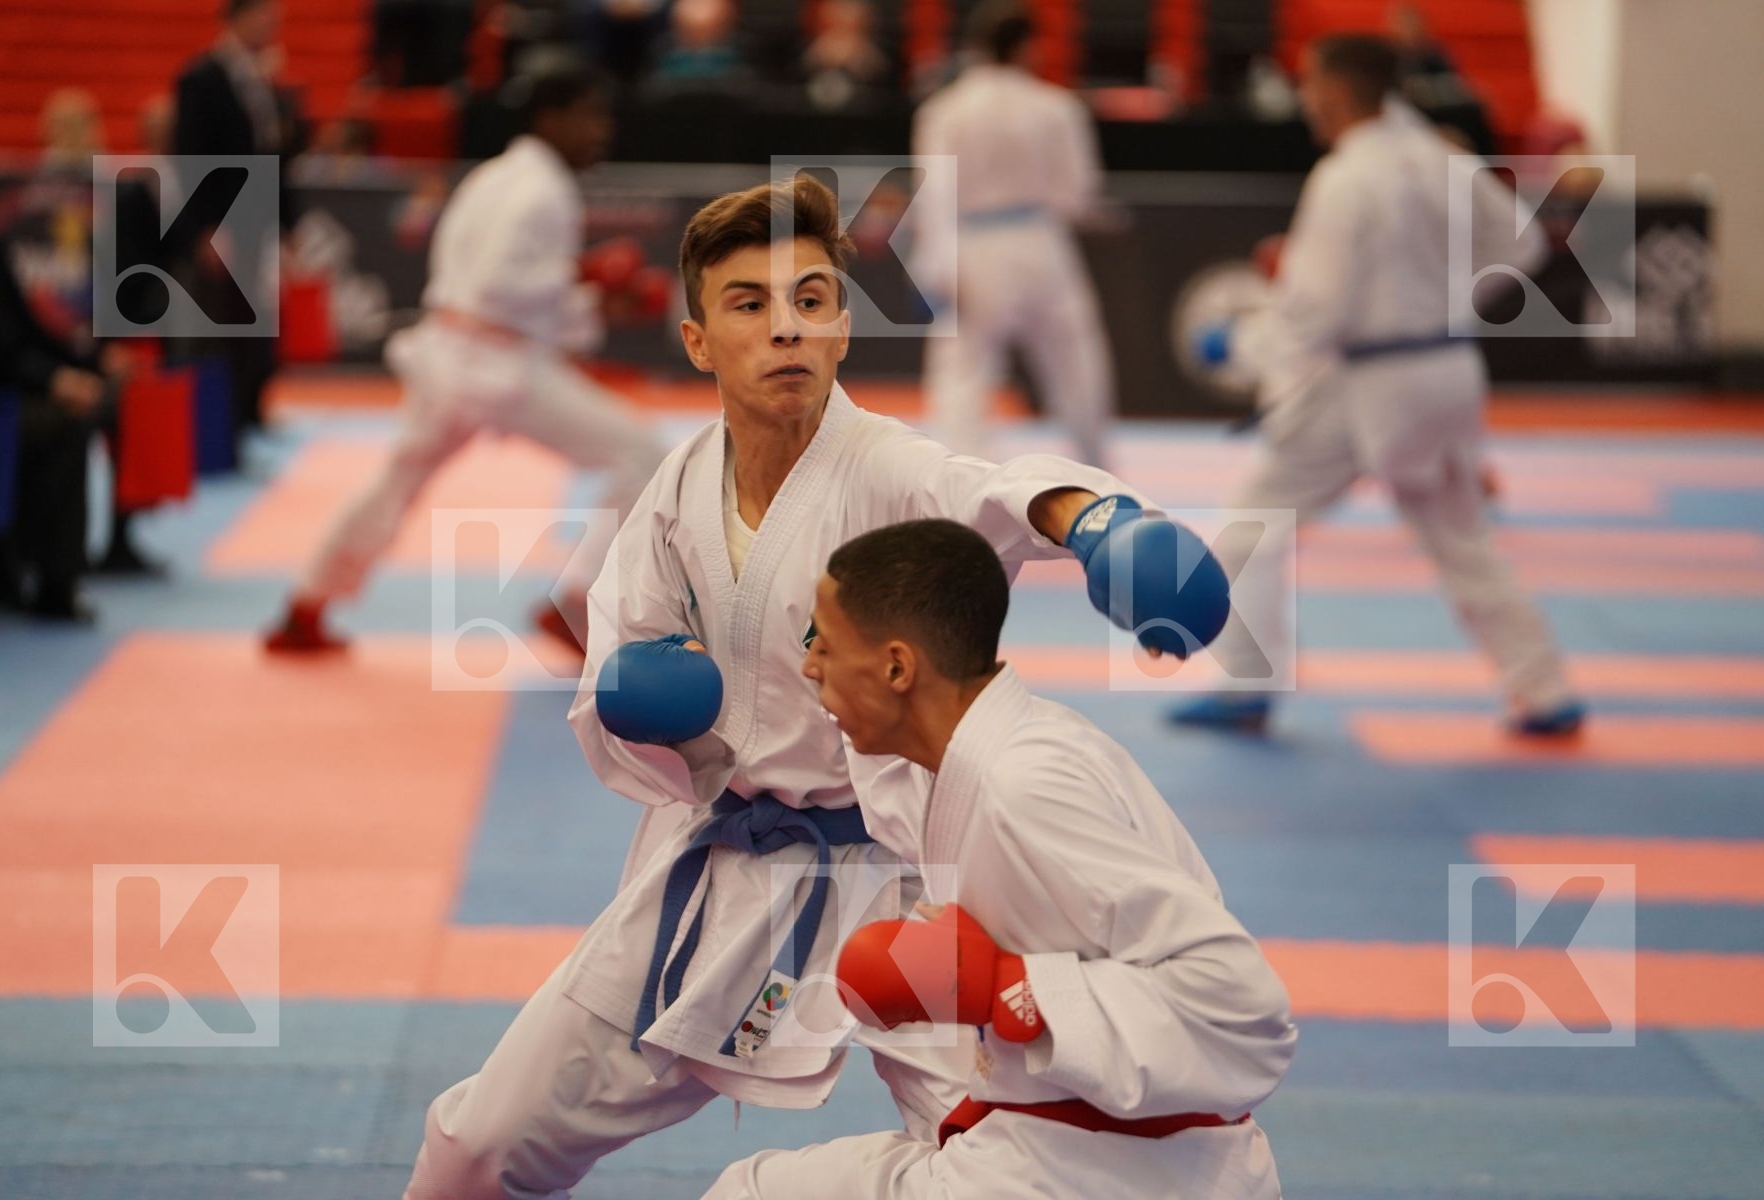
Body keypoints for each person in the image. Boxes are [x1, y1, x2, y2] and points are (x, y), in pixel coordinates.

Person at [399, 173, 1232, 1199]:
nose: (786, 327)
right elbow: (623, 692)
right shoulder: (674, 495)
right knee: (478, 1147)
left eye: (811, 300)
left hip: (914, 883)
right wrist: (647, 707)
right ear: (699, 340)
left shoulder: (887, 472)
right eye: (749, 304)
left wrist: (1101, 522)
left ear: (841, 329)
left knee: (1023, 1164)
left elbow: (995, 494)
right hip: (728, 872)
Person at [705, 518, 1294, 1197]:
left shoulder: (1025, 789)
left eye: (826, 647)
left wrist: (1006, 986)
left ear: (896, 667)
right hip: (1064, 1146)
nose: (809, 667)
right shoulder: (961, 755)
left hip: (1114, 1173)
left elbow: (1239, 1006)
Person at [1174, 35, 1584, 737]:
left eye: (1309, 85)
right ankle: (1545, 690)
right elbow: (1524, 243)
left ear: (1336, 92)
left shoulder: (1346, 177)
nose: (1305, 99)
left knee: (1250, 527)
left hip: (1368, 383)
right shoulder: (1438, 155)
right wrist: (1446, 307)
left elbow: (1314, 311)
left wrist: (1238, 345)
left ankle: (1247, 685)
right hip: (1446, 369)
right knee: (1464, 541)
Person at [264, 62, 665, 654]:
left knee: (394, 482)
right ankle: (578, 599)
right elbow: (496, 287)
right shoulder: (543, 190)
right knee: (643, 452)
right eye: (589, 118)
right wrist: (586, 281)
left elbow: (476, 283)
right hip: (497, 366)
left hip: (449, 353)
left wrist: (585, 294)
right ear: (550, 119)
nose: (600, 132)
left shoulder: (490, 176)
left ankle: (308, 601)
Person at [910, 0, 1113, 467]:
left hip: (973, 244)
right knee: (1076, 363)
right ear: (1027, 47)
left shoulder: (945, 109)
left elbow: (934, 194)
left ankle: (962, 476)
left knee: (963, 372)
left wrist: (934, 267)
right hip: (1039, 240)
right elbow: (1078, 193)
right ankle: (1096, 464)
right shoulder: (1055, 107)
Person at [0, 136, 107, 622]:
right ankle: (48, 582)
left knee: (79, 410)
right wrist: (51, 381)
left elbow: (19, 332)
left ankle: (38, 574)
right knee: (63, 425)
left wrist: (75, 371)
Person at [172, 0, 299, 442]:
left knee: (260, 321)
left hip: (258, 220)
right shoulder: (202, 78)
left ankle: (250, 410)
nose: (272, 24)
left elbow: (274, 156)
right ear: (238, 17)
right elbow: (190, 158)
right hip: (224, 224)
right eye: (264, 15)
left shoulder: (262, 79)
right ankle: (223, 426)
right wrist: (204, 227)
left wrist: (286, 223)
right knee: (228, 326)